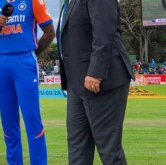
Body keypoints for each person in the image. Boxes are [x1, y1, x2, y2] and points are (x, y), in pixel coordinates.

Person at [56, 0, 134, 164]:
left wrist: (96, 72)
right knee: (78, 151)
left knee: (109, 152)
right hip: (77, 83)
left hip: (102, 80)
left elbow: (104, 33)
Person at [0, 0, 55, 164]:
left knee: (31, 118)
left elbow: (50, 32)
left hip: (24, 59)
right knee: (8, 121)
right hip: (1, 62)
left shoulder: (33, 1)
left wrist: (33, 52)